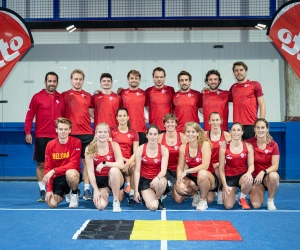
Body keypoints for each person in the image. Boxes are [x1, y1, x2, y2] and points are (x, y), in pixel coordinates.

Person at [24, 72, 65, 202]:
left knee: (57, 164)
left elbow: (65, 118)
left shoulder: (61, 98)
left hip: (57, 137)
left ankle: (57, 189)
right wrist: (27, 132)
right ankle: (42, 189)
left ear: (57, 83)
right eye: (49, 81)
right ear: (45, 82)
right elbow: (30, 116)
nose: (52, 83)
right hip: (41, 136)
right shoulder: (37, 97)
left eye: (54, 81)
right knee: (41, 164)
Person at [62, 69, 94, 200]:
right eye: (75, 79)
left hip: (87, 133)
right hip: (71, 134)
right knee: (71, 163)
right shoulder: (64, 95)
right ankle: (72, 189)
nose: (78, 81)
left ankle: (87, 190)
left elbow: (93, 113)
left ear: (83, 81)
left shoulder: (88, 96)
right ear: (71, 80)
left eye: (80, 79)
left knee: (87, 162)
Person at [85, 122, 124, 212]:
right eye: (100, 132)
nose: (102, 134)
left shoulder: (114, 145)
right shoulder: (89, 148)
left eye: (105, 132)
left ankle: (116, 201)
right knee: (101, 206)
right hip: (101, 181)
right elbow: (90, 172)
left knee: (114, 170)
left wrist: (105, 163)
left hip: (114, 177)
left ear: (108, 134)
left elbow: (121, 164)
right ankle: (107, 192)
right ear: (96, 134)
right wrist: (95, 190)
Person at [42, 118, 82, 208]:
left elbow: (74, 164)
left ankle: (74, 194)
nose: (63, 132)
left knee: (71, 173)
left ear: (70, 130)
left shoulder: (76, 142)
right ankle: (66, 192)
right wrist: (49, 190)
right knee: (52, 204)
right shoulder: (50, 145)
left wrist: (54, 171)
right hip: (58, 178)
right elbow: (47, 167)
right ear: (56, 130)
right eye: (60, 129)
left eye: (65, 129)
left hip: (71, 175)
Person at [174, 122, 213, 211]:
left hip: (207, 178)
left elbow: (205, 166)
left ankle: (203, 200)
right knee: (178, 187)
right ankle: (195, 195)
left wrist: (186, 171)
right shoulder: (183, 147)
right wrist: (179, 180)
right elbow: (180, 167)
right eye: (188, 132)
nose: (190, 134)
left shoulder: (204, 144)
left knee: (202, 173)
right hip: (193, 179)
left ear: (198, 133)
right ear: (185, 133)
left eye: (193, 132)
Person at [219, 122, 254, 210]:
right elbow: (221, 168)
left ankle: (242, 197)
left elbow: (251, 165)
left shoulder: (248, 146)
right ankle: (231, 192)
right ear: (230, 132)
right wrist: (225, 185)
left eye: (238, 130)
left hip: (242, 175)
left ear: (242, 132)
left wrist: (249, 173)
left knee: (248, 180)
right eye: (234, 130)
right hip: (229, 176)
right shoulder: (223, 147)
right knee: (228, 206)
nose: (236, 132)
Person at [246, 118, 280, 210]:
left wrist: (263, 172)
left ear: (267, 129)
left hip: (266, 177)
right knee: (256, 205)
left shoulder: (273, 145)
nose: (260, 130)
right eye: (258, 128)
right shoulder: (249, 143)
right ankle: (253, 191)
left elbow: (275, 166)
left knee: (274, 176)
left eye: (262, 127)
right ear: (254, 129)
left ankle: (270, 199)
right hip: (254, 179)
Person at [134, 124, 169, 210]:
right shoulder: (140, 149)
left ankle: (158, 198)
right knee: (153, 207)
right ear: (147, 135)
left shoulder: (164, 149)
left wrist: (157, 177)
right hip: (145, 180)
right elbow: (137, 171)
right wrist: (135, 191)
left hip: (158, 179)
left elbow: (163, 170)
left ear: (158, 136)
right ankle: (148, 197)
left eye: (155, 134)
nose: (152, 137)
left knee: (161, 182)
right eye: (150, 134)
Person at [230, 61, 266, 140]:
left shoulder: (255, 85)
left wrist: (261, 124)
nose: (239, 72)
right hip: (237, 126)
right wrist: (208, 90)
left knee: (252, 150)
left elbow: (262, 105)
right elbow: (221, 97)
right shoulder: (233, 87)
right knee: (238, 151)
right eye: (236, 70)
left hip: (251, 124)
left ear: (246, 71)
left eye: (241, 70)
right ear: (234, 73)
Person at [111, 108, 139, 205]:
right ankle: (122, 188)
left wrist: (128, 162)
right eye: (120, 116)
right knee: (119, 198)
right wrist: (122, 161)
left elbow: (136, 152)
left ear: (128, 117)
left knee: (135, 166)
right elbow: (112, 150)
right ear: (116, 118)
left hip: (129, 162)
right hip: (116, 163)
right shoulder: (112, 131)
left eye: (124, 116)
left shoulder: (133, 132)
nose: (122, 118)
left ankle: (131, 194)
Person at [205, 112, 231, 204]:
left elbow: (232, 153)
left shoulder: (227, 136)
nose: (215, 122)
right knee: (209, 200)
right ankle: (211, 190)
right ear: (209, 122)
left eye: (217, 120)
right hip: (208, 166)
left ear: (221, 121)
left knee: (219, 170)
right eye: (213, 120)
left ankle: (220, 190)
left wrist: (222, 162)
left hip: (221, 166)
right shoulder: (204, 135)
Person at [158, 113, 187, 194]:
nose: (170, 124)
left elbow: (188, 157)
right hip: (165, 170)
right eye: (167, 122)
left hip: (179, 169)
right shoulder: (159, 138)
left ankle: (173, 185)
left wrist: (183, 172)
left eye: (172, 122)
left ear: (176, 124)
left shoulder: (183, 138)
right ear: (164, 125)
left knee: (179, 195)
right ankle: (166, 186)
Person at [119, 70, 148, 145]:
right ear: (128, 80)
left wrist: (145, 118)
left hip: (141, 130)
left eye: (136, 78)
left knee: (140, 155)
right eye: (132, 78)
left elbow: (149, 107)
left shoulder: (144, 93)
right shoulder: (122, 93)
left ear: (139, 80)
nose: (134, 80)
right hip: (126, 129)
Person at [145, 67, 175, 132]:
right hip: (154, 127)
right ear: (153, 77)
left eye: (161, 77)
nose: (159, 79)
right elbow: (147, 106)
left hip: (168, 126)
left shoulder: (170, 90)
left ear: (164, 77)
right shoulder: (148, 91)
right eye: (157, 77)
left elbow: (175, 106)